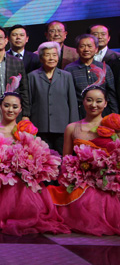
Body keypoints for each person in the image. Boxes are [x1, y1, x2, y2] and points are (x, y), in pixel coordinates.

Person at [0, 92, 69, 236]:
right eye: (6, 105)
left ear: (21, 109)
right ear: (0, 106)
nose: (10, 110)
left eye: (15, 107)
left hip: (20, 181)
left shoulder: (25, 131)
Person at [48, 86, 120, 235]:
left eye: (98, 101)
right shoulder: (72, 128)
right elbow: (66, 159)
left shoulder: (114, 128)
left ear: (106, 103)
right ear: (83, 101)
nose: (94, 105)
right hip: (80, 178)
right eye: (89, 100)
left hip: (106, 180)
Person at [28, 42, 79, 154]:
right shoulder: (32, 76)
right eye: (47, 55)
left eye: (54, 55)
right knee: (42, 158)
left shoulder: (66, 76)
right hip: (40, 126)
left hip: (62, 127)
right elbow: (29, 102)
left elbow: (72, 102)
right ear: (41, 58)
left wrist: (73, 126)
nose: (51, 58)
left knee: (63, 157)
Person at [64, 34, 118, 117]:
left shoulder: (104, 67)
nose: (86, 49)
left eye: (90, 46)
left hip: (102, 112)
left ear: (96, 49)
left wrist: (115, 114)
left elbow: (111, 93)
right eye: (82, 46)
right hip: (79, 113)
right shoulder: (69, 69)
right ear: (77, 50)